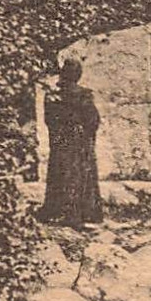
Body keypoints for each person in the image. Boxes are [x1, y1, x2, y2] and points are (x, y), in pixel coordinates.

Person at [38, 57, 103, 226]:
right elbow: (93, 120)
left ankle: (57, 210)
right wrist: (85, 132)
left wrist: (59, 131)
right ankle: (83, 212)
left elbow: (49, 119)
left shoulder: (52, 95)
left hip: (60, 140)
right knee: (80, 173)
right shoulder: (83, 95)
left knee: (60, 172)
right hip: (79, 140)